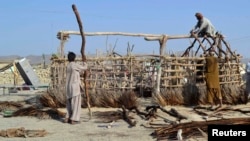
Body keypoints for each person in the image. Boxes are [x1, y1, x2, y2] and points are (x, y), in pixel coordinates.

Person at [64, 51, 88, 124]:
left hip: (68, 87)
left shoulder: (68, 66)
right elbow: (84, 68)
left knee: (69, 103)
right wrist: (84, 62)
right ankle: (73, 119)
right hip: (75, 87)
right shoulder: (74, 65)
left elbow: (77, 72)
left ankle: (67, 117)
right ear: (74, 58)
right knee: (76, 103)